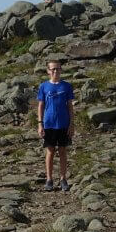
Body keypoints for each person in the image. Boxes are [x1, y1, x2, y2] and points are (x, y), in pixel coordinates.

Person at [37, 60, 75, 192]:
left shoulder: (66, 86)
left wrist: (72, 123)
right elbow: (41, 106)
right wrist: (40, 124)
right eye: (53, 69)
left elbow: (70, 106)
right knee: (50, 151)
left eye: (58, 69)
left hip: (64, 123)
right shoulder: (44, 86)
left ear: (61, 70)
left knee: (63, 150)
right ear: (48, 71)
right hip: (49, 123)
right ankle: (49, 179)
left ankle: (63, 178)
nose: (55, 71)